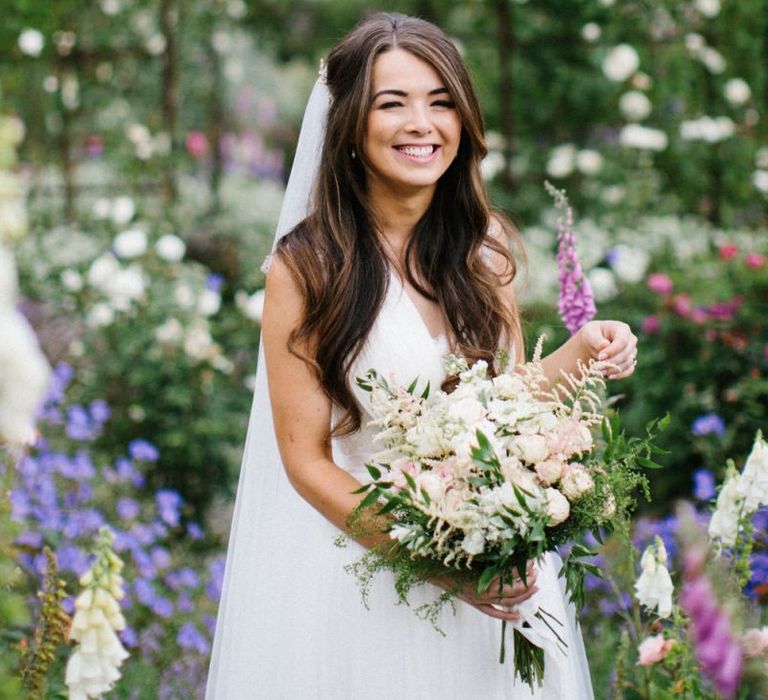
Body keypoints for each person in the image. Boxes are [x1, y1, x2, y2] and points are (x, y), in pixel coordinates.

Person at [206, 12, 637, 699]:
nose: (422, 123)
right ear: (351, 121)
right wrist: (437, 563)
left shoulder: (484, 246)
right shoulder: (309, 267)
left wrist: (584, 349)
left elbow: (509, 406)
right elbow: (306, 460)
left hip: (500, 580)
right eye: (393, 102)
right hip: (372, 584)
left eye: (441, 102)